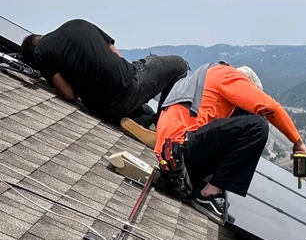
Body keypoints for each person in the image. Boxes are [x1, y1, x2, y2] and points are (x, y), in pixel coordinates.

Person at [155, 62, 306, 219]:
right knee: (257, 125)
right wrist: (297, 142)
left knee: (242, 120)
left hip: (173, 156)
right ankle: (208, 195)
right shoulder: (228, 76)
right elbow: (271, 108)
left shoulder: (209, 77)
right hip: (180, 153)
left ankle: (205, 181)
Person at [21, 19, 188, 148]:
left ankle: (144, 123)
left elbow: (69, 94)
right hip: (126, 86)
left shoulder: (42, 55)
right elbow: (117, 54)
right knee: (180, 64)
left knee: (146, 112)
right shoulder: (76, 23)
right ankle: (164, 131)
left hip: (103, 109)